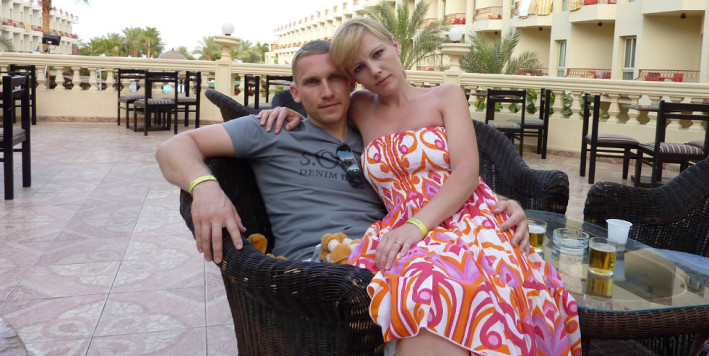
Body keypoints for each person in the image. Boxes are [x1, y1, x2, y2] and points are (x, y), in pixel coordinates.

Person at [325, 19, 581, 356]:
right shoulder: (358, 105)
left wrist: (418, 226)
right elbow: (312, 106)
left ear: (396, 45)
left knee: (459, 289)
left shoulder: (445, 95)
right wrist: (282, 112)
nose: (375, 70)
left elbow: (467, 172)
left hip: (465, 219)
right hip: (404, 227)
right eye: (359, 67)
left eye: (378, 53)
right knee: (424, 291)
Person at [156, 39, 530, 267]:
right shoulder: (271, 129)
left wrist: (497, 202)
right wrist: (204, 186)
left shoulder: (373, 137)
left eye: (335, 78)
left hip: (392, 252)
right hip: (320, 267)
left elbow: (428, 176)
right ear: (295, 93)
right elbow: (172, 147)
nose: (327, 91)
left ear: (351, 84)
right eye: (312, 83)